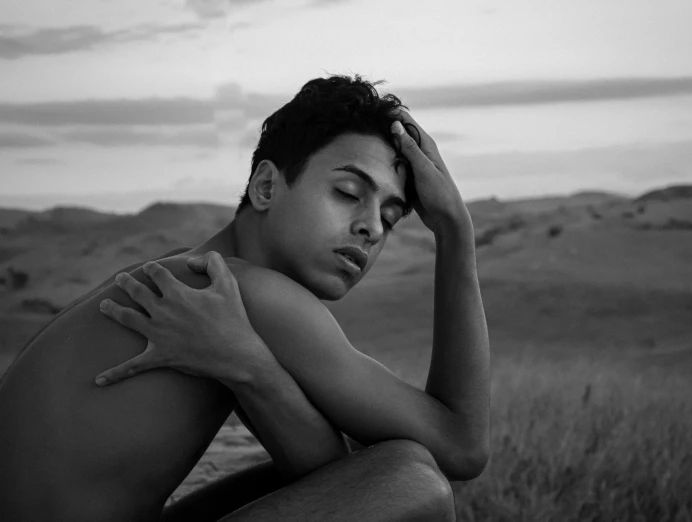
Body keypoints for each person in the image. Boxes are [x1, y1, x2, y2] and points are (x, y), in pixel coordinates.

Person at [0, 75, 490, 522]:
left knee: (385, 469)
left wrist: (250, 367)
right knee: (411, 478)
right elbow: (461, 446)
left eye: (391, 215)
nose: (371, 227)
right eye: (347, 191)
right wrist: (455, 231)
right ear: (265, 187)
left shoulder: (200, 281)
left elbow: (320, 468)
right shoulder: (251, 293)